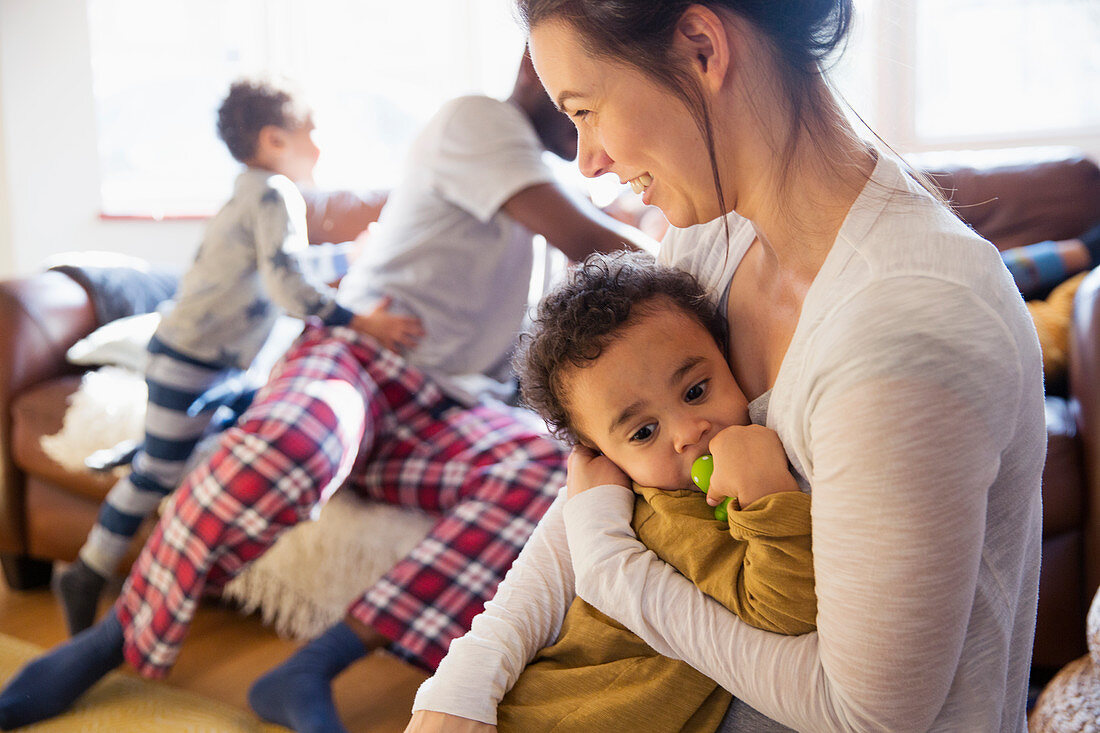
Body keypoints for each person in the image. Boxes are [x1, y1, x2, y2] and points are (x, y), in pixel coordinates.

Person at [407, 2, 1044, 731]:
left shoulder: (902, 326)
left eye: (586, 109)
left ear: (703, 48)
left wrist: (616, 572)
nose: (588, 159)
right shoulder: (712, 238)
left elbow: (866, 713)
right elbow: (602, 482)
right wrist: (462, 680)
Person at [0, 54, 652, 732]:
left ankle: (310, 665)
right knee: (298, 437)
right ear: (532, 72)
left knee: (549, 469)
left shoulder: (538, 172)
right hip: (359, 358)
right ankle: (107, 640)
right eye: (579, 111)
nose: (588, 148)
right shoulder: (480, 122)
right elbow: (600, 247)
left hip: (442, 408)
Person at [55, 77, 424, 637]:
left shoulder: (256, 190)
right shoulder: (275, 193)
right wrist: (363, 323)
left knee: (241, 422)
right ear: (276, 140)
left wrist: (352, 255)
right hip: (189, 361)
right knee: (156, 475)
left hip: (220, 365)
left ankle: (152, 446)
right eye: (313, 133)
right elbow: (287, 289)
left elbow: (284, 265)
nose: (322, 147)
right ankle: (87, 570)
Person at [493, 249, 815, 731]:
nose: (688, 432)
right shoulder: (673, 515)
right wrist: (768, 497)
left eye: (695, 391)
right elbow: (783, 610)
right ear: (602, 454)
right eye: (643, 433)